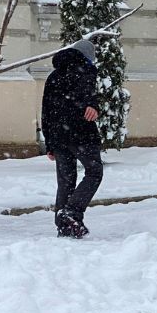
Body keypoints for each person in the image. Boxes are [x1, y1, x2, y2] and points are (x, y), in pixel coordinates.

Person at [42, 38, 103, 239]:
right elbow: (86, 94)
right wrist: (92, 105)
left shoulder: (53, 76)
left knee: (66, 180)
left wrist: (49, 142)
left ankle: (64, 225)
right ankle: (73, 212)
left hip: (59, 136)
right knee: (94, 172)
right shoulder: (85, 70)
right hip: (81, 132)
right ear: (88, 57)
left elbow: (46, 111)